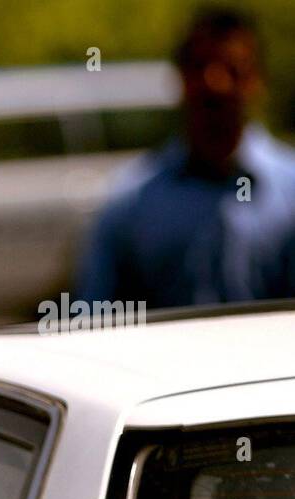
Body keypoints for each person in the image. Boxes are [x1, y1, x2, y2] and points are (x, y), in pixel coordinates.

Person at [74, 7, 295, 309]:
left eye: (232, 69)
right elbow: (95, 318)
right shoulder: (130, 202)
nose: (215, 83)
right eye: (201, 67)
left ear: (256, 80)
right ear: (180, 78)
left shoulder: (290, 191)